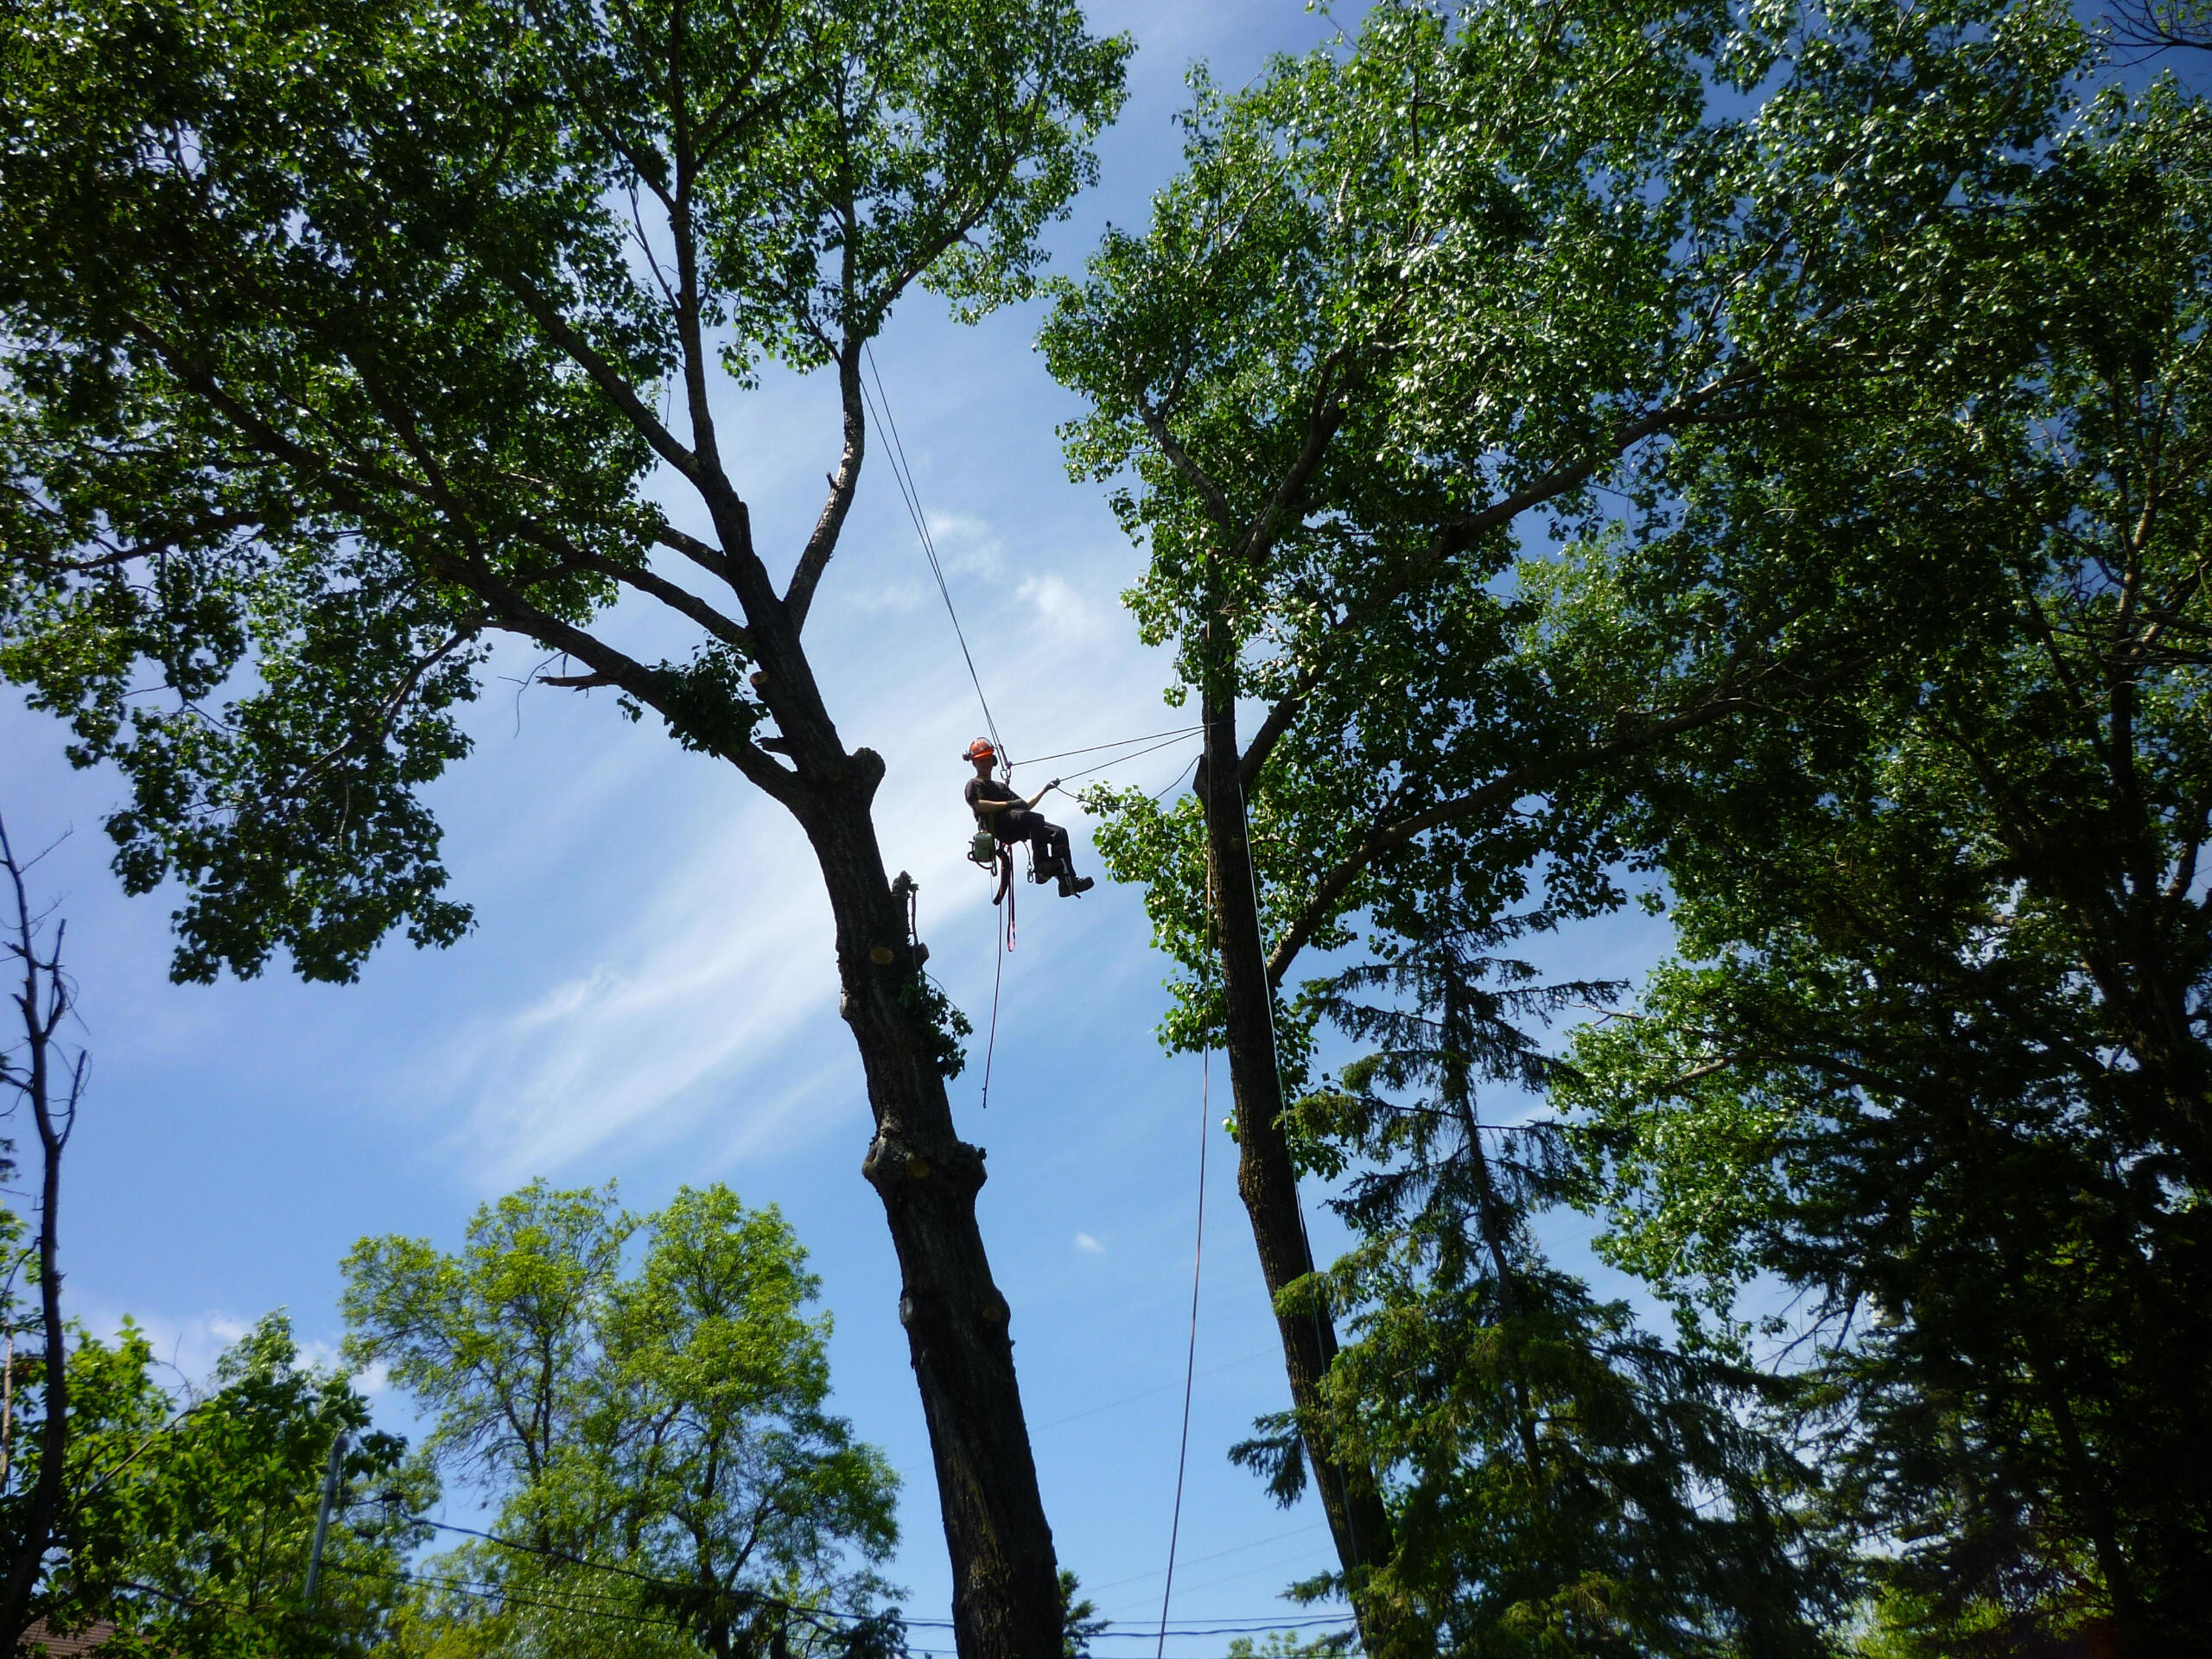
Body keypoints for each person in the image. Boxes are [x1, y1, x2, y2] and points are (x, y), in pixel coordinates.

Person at [963, 739, 1094, 896]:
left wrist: (1044, 790)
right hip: (998, 824)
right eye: (981, 761)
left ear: (993, 761)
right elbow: (979, 805)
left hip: (1015, 822)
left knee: (1058, 833)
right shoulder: (975, 783)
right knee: (1035, 819)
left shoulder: (1001, 787)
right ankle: (1041, 867)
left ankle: (1067, 882)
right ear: (974, 764)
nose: (986, 763)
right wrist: (1008, 804)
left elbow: (1025, 806)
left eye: (988, 760)